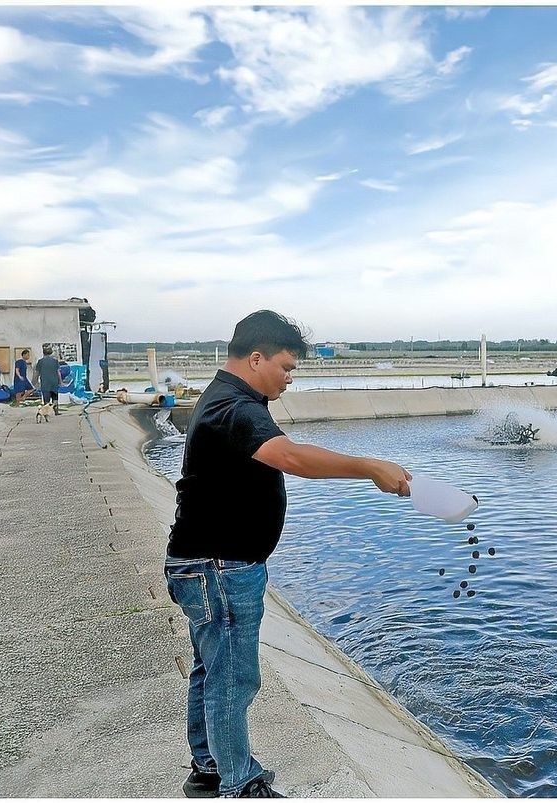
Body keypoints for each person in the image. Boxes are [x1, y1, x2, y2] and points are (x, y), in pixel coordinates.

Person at [164, 310, 411, 798]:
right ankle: (240, 784)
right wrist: (369, 467)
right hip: (220, 567)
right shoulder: (234, 408)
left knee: (212, 670)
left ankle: (209, 766)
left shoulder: (230, 400)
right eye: (285, 367)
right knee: (233, 678)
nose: (289, 377)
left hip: (205, 563)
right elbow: (292, 457)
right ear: (255, 358)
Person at [32, 345, 61, 415]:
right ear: (51, 353)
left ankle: (46, 412)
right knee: (55, 397)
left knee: (46, 399)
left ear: (43, 353)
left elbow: (37, 373)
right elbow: (58, 372)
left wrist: (34, 381)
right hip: (54, 382)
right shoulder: (55, 361)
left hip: (45, 382)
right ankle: (56, 411)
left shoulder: (40, 361)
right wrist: (60, 381)